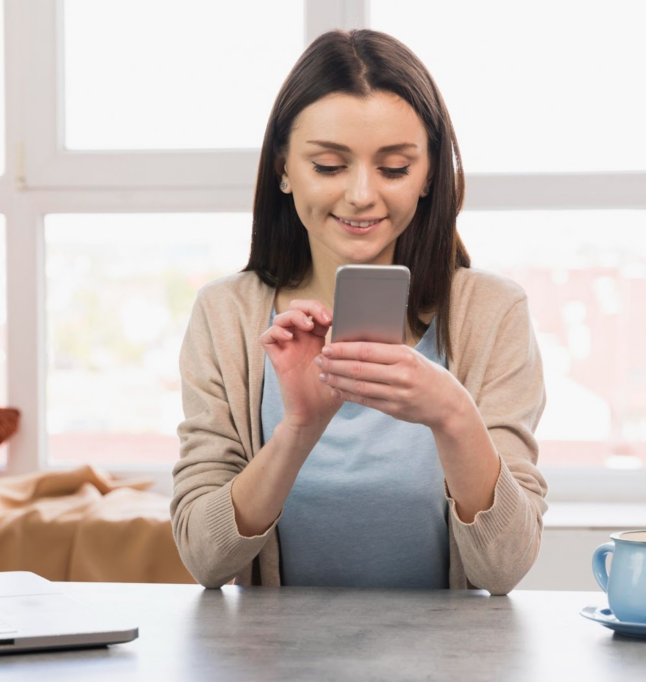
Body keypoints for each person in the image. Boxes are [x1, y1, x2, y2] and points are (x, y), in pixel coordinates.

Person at [170, 29, 547, 595]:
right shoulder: (225, 315)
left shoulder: (492, 313)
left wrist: (453, 415)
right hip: (274, 649)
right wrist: (298, 431)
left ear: (428, 175)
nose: (362, 195)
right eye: (328, 166)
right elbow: (205, 559)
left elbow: (504, 569)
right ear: (283, 168)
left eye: (394, 168)